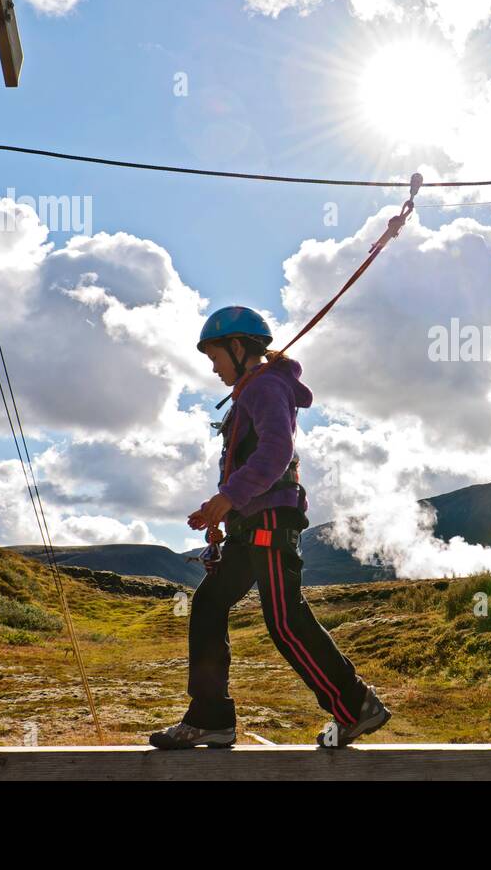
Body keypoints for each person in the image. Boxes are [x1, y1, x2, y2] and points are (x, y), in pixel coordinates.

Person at [150, 306, 390, 749]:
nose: (214, 366)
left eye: (215, 356)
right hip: (251, 524)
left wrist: (229, 498)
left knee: (285, 620)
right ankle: (210, 718)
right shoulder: (253, 389)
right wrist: (218, 508)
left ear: (238, 348)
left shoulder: (264, 387)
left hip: (271, 522)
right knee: (208, 607)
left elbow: (277, 449)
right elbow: (254, 461)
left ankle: (356, 706)